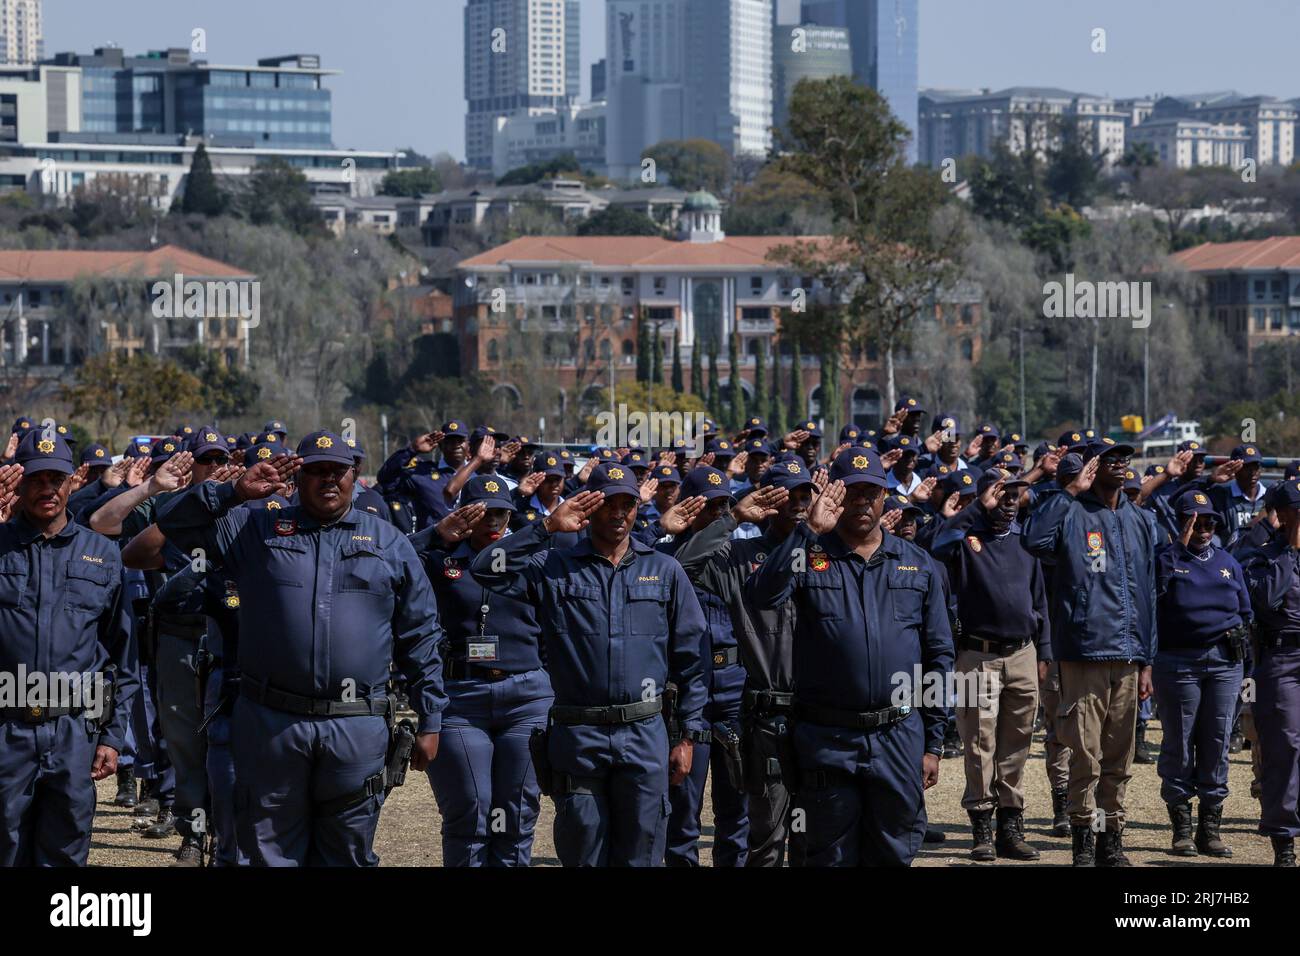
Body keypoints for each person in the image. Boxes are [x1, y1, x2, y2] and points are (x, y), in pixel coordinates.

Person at [154, 430, 445, 866]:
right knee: (268, 852)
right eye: (316, 470)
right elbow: (171, 518)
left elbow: (420, 633)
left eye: (337, 471)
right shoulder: (254, 530)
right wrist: (233, 492)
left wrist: (431, 716)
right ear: (299, 476)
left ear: (355, 475)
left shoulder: (389, 543)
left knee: (347, 853)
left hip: (356, 724)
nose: (328, 480)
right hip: (271, 723)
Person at [470, 463, 708, 866]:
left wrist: (688, 736)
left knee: (642, 853)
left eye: (627, 504)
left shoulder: (663, 570)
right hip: (579, 735)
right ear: (587, 507)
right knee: (583, 851)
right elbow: (485, 569)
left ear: (637, 509)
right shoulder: (553, 567)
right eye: (607, 503)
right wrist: (546, 527)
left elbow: (692, 660)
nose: (618, 514)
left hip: (644, 733)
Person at [746, 448, 954, 866]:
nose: (862, 502)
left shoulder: (918, 564)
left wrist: (933, 742)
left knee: (894, 851)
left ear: (884, 498)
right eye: (852, 492)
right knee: (827, 855)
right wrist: (807, 530)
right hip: (828, 739)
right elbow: (762, 596)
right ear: (835, 497)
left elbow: (939, 655)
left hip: (898, 736)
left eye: (871, 492)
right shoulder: (810, 553)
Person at [0, 432, 138, 866]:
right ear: (20, 483)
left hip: (74, 731)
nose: (48, 489)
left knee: (65, 850)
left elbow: (123, 654)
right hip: (7, 729)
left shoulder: (102, 554)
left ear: (72, 483)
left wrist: (113, 737)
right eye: (38, 478)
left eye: (56, 478)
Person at [1023, 438, 1158, 867]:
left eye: (1124, 459)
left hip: (1128, 654)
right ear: (1091, 467)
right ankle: (1083, 840)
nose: (1119, 465)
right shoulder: (1070, 512)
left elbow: (1149, 593)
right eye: (1109, 459)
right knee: (1085, 755)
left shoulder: (1139, 520)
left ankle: (1110, 841)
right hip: (1084, 650)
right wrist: (1069, 492)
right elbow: (1034, 541)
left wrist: (1148, 660)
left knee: (1118, 758)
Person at [410, 476, 555, 866]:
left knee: (516, 816)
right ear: (464, 514)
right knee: (471, 810)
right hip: (460, 696)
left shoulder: (534, 558)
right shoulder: (442, 559)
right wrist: (437, 534)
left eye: (501, 514)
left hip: (525, 696)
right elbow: (393, 561)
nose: (493, 522)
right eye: (483, 512)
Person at [671, 460, 806, 867]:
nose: (798, 505)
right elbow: (680, 567)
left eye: (805, 495)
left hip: (747, 697)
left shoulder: (820, 552)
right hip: (697, 692)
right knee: (684, 813)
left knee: (745, 814)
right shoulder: (739, 553)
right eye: (786, 496)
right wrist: (731, 520)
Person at [932, 467, 1049, 862]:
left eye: (1014, 496)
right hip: (976, 654)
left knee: (1016, 744)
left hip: (1023, 653)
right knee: (979, 744)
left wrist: (1044, 653)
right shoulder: (965, 538)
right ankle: (981, 827)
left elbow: (1040, 600)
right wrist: (973, 511)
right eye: (1000, 495)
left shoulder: (1026, 540)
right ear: (985, 498)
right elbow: (936, 545)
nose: (1008, 503)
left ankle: (1010, 829)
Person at [1152, 489, 1252, 859]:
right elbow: (1153, 592)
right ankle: (1181, 829)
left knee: (1216, 744)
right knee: (1179, 745)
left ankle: (1210, 829)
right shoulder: (1166, 559)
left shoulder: (1228, 561)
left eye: (1209, 521)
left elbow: (1245, 610)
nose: (1203, 527)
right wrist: (1177, 546)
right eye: (1194, 521)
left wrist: (1240, 637)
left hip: (1224, 663)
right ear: (1179, 524)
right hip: (1178, 662)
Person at [1239, 477, 1300, 867]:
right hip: (1283, 660)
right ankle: (1284, 839)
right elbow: (1264, 598)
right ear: (1282, 514)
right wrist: (1291, 549)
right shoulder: (1261, 555)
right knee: (1286, 748)